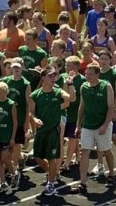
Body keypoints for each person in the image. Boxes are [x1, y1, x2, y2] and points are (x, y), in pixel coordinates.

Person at [73, 64, 116, 194]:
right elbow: (82, 106)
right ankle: (83, 182)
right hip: (88, 125)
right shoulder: (84, 87)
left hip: (102, 124)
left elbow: (111, 107)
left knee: (106, 150)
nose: (88, 76)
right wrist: (78, 125)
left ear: (97, 74)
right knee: (84, 151)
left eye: (91, 74)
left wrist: (105, 125)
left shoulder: (106, 87)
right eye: (86, 74)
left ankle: (112, 174)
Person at [28, 66, 71, 196]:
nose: (53, 78)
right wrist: (34, 120)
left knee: (52, 158)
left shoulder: (58, 92)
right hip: (41, 131)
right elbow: (31, 112)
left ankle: (51, 183)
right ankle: (53, 173)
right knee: (37, 158)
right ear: (43, 78)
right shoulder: (35, 95)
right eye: (50, 76)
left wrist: (70, 84)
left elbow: (70, 99)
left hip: (53, 131)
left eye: (55, 76)